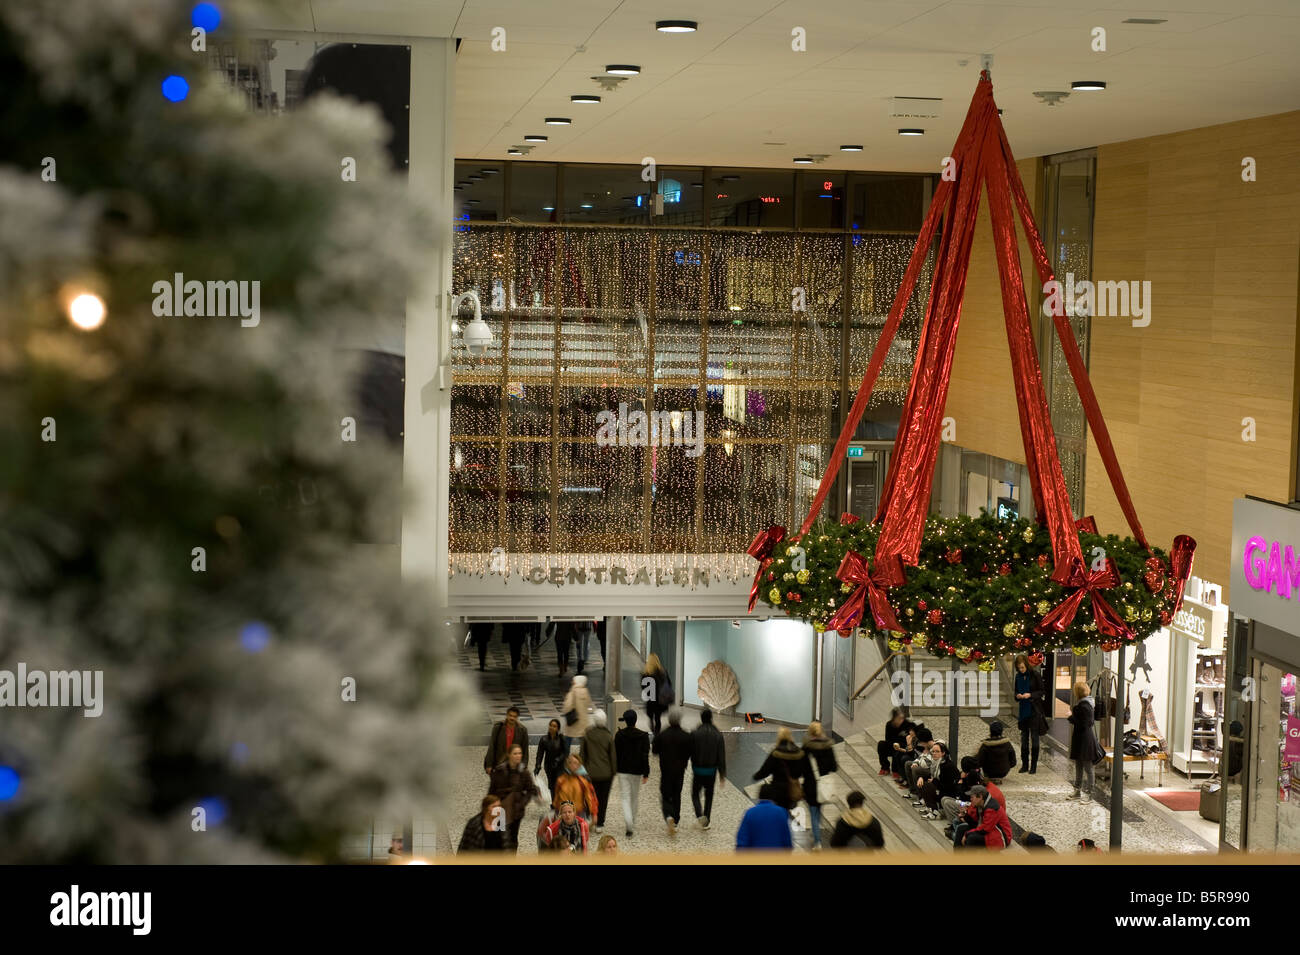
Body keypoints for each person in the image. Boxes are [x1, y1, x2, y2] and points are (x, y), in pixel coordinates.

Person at [489, 743, 540, 852]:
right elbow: (492, 790)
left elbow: (531, 789)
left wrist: (522, 802)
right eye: (515, 753)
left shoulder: (524, 772)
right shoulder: (499, 771)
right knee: (498, 837)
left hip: (516, 810)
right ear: (509, 755)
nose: (518, 756)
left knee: (512, 838)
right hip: (500, 809)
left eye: (520, 753)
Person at [652, 708, 693, 835]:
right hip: (680, 770)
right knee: (677, 795)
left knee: (665, 794)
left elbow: (654, 751)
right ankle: (676, 820)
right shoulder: (686, 736)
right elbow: (690, 752)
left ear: (669, 720)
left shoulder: (662, 735)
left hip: (666, 770)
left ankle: (668, 815)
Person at [753, 726, 812, 811]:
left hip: (777, 790)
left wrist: (756, 776)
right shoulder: (799, 752)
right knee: (786, 812)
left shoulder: (776, 753)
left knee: (777, 812)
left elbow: (765, 770)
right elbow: (807, 771)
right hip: (792, 790)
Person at [614, 709, 651, 838]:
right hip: (637, 771)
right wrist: (646, 773)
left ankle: (628, 823)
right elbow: (645, 756)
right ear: (635, 720)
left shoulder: (619, 735)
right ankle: (632, 821)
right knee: (634, 797)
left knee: (625, 797)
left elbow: (616, 754)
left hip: (622, 770)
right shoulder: (644, 736)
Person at [580, 709, 618, 832]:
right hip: (606, 774)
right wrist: (614, 771)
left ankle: (592, 817)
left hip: (591, 773)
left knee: (590, 797)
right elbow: (612, 755)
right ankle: (600, 823)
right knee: (603, 798)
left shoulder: (588, 735)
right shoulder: (608, 736)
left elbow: (582, 755)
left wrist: (583, 769)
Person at [802, 721, 837, 849]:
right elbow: (834, 767)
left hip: (810, 786)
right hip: (823, 785)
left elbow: (801, 768)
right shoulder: (828, 747)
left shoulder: (806, 748)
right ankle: (816, 835)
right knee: (818, 811)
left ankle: (817, 841)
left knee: (813, 813)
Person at [690, 709, 727, 829]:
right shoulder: (718, 734)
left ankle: (699, 815)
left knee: (695, 794)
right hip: (711, 771)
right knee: (709, 795)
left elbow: (691, 751)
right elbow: (721, 756)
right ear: (711, 718)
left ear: (701, 718)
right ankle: (707, 819)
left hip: (698, 770)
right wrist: (722, 775)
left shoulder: (695, 733)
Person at [1068, 680, 1104, 801]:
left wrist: (1070, 716)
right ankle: (1077, 791)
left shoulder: (1083, 706)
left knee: (1088, 768)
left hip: (1085, 740)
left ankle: (1090, 794)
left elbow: (1085, 723)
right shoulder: (1086, 704)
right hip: (1082, 739)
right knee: (1078, 765)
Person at [1014, 654, 1048, 774]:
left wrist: (1030, 695)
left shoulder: (1035, 675)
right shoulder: (1018, 677)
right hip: (1023, 711)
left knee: (1034, 738)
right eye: (1019, 668)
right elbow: (1015, 693)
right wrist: (1018, 696)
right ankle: (1024, 764)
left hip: (1034, 710)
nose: (1021, 670)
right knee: (1024, 739)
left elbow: (1042, 691)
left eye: (1022, 667)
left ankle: (1033, 766)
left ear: (1026, 665)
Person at [736, 783, 792, 851]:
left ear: (759, 796)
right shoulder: (781, 813)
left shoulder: (750, 813)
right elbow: (787, 839)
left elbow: (742, 839)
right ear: (773, 797)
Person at [959, 785, 1011, 850]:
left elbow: (985, 829)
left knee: (971, 838)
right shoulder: (980, 804)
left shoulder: (992, 808)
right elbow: (975, 822)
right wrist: (965, 815)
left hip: (1001, 837)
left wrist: (967, 834)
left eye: (972, 797)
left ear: (980, 797)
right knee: (961, 829)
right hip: (991, 831)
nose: (970, 799)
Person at [939, 756, 983, 831]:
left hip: (969, 804)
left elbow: (963, 794)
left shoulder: (973, 776)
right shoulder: (968, 774)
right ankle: (954, 823)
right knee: (944, 799)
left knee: (947, 802)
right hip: (965, 801)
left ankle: (956, 825)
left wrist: (961, 782)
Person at [918, 740, 958, 820]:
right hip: (941, 788)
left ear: (943, 753)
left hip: (950, 793)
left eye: (937, 751)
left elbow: (947, 786)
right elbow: (931, 776)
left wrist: (934, 781)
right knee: (923, 783)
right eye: (933, 751)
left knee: (927, 785)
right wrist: (921, 777)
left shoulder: (947, 765)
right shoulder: (935, 762)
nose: (934, 753)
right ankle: (930, 807)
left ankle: (935, 811)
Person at [552, 753, 599, 821]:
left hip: (579, 814)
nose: (572, 765)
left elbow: (591, 798)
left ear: (579, 765)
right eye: (570, 762)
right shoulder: (561, 780)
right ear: (567, 764)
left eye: (575, 763)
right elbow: (556, 799)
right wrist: (556, 813)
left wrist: (594, 813)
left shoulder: (584, 781)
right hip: (563, 814)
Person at [484, 706, 529, 775]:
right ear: (507, 715)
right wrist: (489, 764)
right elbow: (492, 746)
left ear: (517, 717)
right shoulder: (498, 727)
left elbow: (525, 750)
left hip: (514, 765)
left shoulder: (522, 730)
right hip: (499, 763)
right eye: (510, 715)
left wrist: (524, 766)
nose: (512, 718)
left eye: (514, 716)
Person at [534, 718, 568, 798]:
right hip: (549, 766)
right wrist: (537, 765)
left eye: (554, 726)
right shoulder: (544, 739)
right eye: (550, 725)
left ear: (558, 729)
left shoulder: (561, 738)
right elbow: (540, 754)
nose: (551, 727)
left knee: (559, 785)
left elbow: (565, 752)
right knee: (552, 786)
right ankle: (554, 803)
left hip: (560, 766)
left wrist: (559, 759)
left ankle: (560, 802)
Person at [878, 707, 915, 775]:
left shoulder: (907, 724)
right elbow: (888, 739)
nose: (901, 720)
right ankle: (885, 767)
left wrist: (899, 745)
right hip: (892, 745)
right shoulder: (889, 725)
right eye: (899, 718)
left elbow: (910, 739)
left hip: (903, 747)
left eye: (902, 718)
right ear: (894, 718)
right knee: (881, 744)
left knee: (898, 749)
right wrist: (894, 744)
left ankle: (895, 770)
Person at [643, 653, 672, 736]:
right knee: (658, 718)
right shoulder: (663, 672)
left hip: (650, 699)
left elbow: (643, 687)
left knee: (650, 717)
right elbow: (669, 684)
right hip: (660, 699)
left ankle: (653, 730)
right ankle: (657, 734)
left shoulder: (646, 673)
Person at [561, 674, 592, 749]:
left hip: (573, 721)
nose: (572, 682)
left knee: (567, 740)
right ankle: (584, 757)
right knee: (583, 742)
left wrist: (565, 711)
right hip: (583, 722)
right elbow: (589, 704)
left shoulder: (573, 691)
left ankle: (566, 757)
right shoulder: (585, 691)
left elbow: (567, 706)